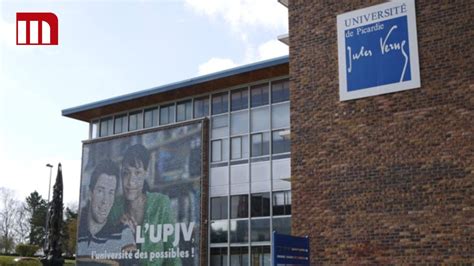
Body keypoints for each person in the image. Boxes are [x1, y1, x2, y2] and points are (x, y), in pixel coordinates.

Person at [109, 144, 181, 266]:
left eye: (137, 173)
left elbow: (173, 257)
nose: (131, 181)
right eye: (126, 173)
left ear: (146, 174)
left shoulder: (160, 203)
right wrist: (118, 232)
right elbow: (105, 255)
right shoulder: (115, 207)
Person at [77, 159, 136, 264]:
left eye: (110, 193)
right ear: (90, 193)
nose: (105, 201)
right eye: (100, 191)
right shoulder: (79, 233)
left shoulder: (123, 234)